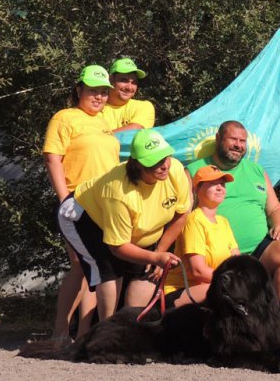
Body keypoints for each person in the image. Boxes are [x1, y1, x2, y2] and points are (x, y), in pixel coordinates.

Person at [57, 129, 190, 322]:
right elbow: (118, 247)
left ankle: (130, 329)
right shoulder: (119, 193)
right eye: (154, 161)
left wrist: (159, 253)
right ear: (137, 165)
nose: (164, 166)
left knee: (145, 273)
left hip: (131, 229)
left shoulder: (175, 170)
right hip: (83, 215)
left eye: (165, 157)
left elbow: (182, 214)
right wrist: (155, 257)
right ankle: (100, 333)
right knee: (108, 271)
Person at [43, 64, 120, 341]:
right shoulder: (65, 118)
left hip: (105, 204)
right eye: (93, 91)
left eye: (103, 92)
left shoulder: (103, 122)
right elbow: (53, 157)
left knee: (92, 267)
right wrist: (64, 198)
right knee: (82, 265)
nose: (99, 97)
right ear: (79, 90)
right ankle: (60, 333)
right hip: (77, 202)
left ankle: (84, 334)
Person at [186, 121, 280, 302]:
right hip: (217, 259)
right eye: (233, 139)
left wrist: (279, 226)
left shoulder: (256, 170)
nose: (239, 145)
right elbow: (182, 215)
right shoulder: (194, 171)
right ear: (218, 139)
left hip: (258, 253)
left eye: (243, 141)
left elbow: (275, 208)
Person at [164, 165, 239, 307]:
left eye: (222, 184)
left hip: (215, 285)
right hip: (182, 290)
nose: (219, 188)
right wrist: (234, 282)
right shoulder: (194, 220)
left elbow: (236, 261)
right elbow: (197, 271)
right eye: (212, 184)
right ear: (197, 189)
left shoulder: (224, 222)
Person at [101, 58, 156, 133]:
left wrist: (100, 136)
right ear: (111, 79)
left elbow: (134, 131)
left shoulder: (143, 106)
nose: (129, 87)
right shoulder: (95, 108)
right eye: (124, 80)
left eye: (134, 82)